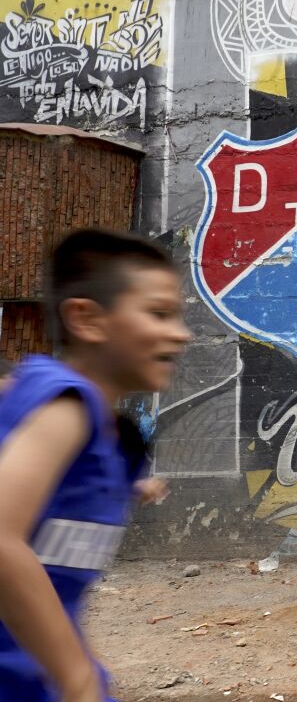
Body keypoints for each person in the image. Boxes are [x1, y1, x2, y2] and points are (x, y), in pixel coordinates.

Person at [0, 228, 190, 701]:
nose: (180, 333)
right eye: (159, 313)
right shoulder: (68, 403)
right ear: (87, 319)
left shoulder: (98, 430)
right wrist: (78, 679)